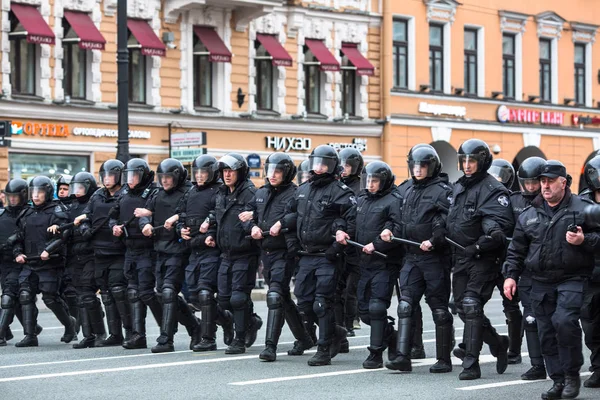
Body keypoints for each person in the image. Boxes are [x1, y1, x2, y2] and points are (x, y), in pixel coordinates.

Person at [504, 160, 600, 399]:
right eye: (542, 181)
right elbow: (516, 249)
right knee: (545, 331)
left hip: (573, 278)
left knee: (565, 322)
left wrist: (584, 241)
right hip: (540, 281)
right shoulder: (529, 214)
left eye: (550, 181)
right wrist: (510, 276)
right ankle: (557, 380)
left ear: (563, 183)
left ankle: (571, 377)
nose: (544, 186)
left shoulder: (584, 208)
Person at [446, 139, 514, 380]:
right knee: (461, 308)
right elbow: (451, 218)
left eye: (471, 161)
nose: (466, 165)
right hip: (461, 256)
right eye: (463, 160)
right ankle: (498, 343)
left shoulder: (493, 189)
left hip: (484, 257)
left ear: (482, 162)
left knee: (472, 305)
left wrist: (480, 243)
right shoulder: (458, 186)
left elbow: (500, 227)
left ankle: (471, 364)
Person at [282, 144, 355, 366]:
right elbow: (289, 219)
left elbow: (351, 223)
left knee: (322, 303)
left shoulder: (341, 192)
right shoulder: (303, 190)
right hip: (305, 255)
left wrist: (336, 248)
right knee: (303, 302)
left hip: (328, 256)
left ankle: (324, 349)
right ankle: (335, 331)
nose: (319, 167)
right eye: (317, 163)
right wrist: (292, 244)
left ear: (332, 166)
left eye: (324, 163)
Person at [384, 144, 454, 373]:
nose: (418, 169)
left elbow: (450, 222)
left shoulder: (443, 191)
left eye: (423, 165)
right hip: (411, 257)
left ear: (432, 166)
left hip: (434, 258)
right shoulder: (405, 189)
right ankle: (403, 356)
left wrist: (435, 239)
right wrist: (388, 230)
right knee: (405, 305)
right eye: (415, 165)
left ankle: (444, 358)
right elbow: (393, 216)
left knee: (439, 309)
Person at [242, 152, 314, 362]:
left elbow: (299, 215)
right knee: (281, 295)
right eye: (270, 170)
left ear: (287, 173)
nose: (273, 175)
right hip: (266, 251)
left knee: (274, 295)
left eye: (278, 171)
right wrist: (252, 226)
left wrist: (282, 223)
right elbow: (247, 214)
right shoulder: (261, 192)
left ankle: (270, 347)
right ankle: (304, 338)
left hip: (285, 252)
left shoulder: (296, 193)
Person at [203, 153, 262, 354]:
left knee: (238, 297)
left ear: (240, 172)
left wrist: (253, 220)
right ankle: (251, 320)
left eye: (231, 171)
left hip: (245, 253)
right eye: (224, 171)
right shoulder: (221, 193)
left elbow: (258, 214)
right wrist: (211, 234)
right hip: (225, 254)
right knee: (224, 299)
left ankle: (239, 339)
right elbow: (217, 219)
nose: (227, 175)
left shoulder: (250, 193)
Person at [139, 158, 200, 353]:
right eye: (162, 177)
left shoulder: (189, 192)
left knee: (168, 291)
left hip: (179, 249)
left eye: (169, 177)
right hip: (160, 249)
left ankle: (166, 339)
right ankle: (194, 326)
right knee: (161, 293)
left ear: (178, 177)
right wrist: (145, 224)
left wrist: (177, 219)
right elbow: (146, 213)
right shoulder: (157, 194)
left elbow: (190, 213)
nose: (165, 181)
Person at [349, 161, 402, 369]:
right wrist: (343, 232)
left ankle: (376, 354)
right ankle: (391, 334)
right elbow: (353, 222)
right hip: (364, 263)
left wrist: (378, 243)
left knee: (377, 307)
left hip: (383, 263)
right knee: (364, 312)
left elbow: (395, 227)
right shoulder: (362, 200)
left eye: (375, 181)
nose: (370, 184)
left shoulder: (393, 201)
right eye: (368, 180)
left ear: (384, 182)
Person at [178, 155, 234, 351]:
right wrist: (180, 229)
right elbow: (182, 215)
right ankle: (225, 318)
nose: (200, 176)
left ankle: (208, 338)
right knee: (193, 296)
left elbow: (220, 215)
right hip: (193, 249)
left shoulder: (219, 191)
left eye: (204, 172)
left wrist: (209, 229)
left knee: (205, 293)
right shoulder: (191, 192)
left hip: (211, 250)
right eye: (198, 172)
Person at [14, 176, 77, 347]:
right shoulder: (26, 213)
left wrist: (48, 250)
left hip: (50, 263)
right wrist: (18, 252)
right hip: (30, 262)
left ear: (47, 192)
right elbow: (18, 237)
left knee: (50, 298)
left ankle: (70, 325)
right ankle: (30, 335)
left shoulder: (57, 211)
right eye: (33, 192)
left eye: (40, 192)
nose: (36, 196)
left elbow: (64, 236)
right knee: (25, 295)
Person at [77, 159, 131, 346]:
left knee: (119, 291)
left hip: (119, 251)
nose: (107, 179)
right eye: (104, 176)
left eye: (111, 175)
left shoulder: (126, 194)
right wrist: (84, 228)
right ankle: (115, 335)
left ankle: (131, 332)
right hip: (99, 251)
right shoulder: (97, 195)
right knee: (107, 294)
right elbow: (86, 215)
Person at [109, 158, 160, 350]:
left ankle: (170, 326)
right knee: (132, 292)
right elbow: (112, 216)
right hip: (130, 248)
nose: (130, 180)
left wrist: (149, 218)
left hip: (148, 249)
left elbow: (162, 212)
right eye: (128, 176)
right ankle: (138, 335)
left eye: (134, 176)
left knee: (147, 293)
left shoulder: (154, 193)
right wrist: (114, 227)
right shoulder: (123, 194)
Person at [510, 156, 548, 380]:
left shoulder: (553, 202)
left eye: (535, 182)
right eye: (528, 183)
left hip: (551, 269)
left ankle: (563, 363)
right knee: (531, 318)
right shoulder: (514, 201)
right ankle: (537, 364)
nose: (532, 187)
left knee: (558, 320)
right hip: (525, 268)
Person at [488, 158, 523, 365]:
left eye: (499, 176)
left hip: (507, 257)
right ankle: (472, 345)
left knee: (511, 304)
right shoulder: (484, 196)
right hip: (486, 257)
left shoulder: (512, 200)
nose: (495, 179)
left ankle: (515, 350)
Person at [67, 172, 107, 349]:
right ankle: (87, 335)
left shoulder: (95, 203)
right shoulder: (72, 206)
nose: (77, 191)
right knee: (81, 297)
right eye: (75, 188)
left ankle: (100, 333)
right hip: (75, 255)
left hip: (91, 254)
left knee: (88, 294)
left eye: (81, 188)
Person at [0, 179, 42, 345]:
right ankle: (33, 327)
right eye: (9, 196)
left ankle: (2, 333)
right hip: (4, 262)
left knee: (11, 297)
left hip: (24, 261)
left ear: (24, 195)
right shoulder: (2, 215)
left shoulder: (31, 214)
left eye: (15, 197)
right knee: (13, 298)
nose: (12, 199)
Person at [335, 148, 363, 351]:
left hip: (356, 242)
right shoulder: (336, 185)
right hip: (339, 242)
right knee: (338, 286)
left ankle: (350, 321)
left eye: (348, 166)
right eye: (342, 165)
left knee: (351, 289)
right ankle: (339, 327)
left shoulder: (362, 186)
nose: (344, 169)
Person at [578, 155, 600, 388]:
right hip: (590, 273)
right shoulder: (581, 203)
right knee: (591, 326)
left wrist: (588, 239)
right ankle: (598, 367)